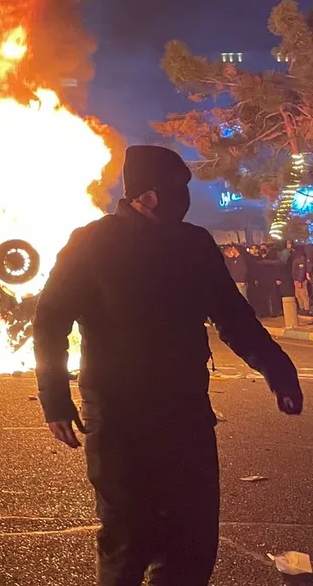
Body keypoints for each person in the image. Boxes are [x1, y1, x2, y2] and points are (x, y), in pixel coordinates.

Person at [34, 145, 303, 585]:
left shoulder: (193, 244)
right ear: (148, 194)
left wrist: (277, 369)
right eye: (176, 188)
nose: (184, 197)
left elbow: (232, 316)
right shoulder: (92, 243)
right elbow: (49, 322)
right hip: (119, 420)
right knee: (127, 542)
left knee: (192, 545)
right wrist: (55, 401)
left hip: (186, 416)